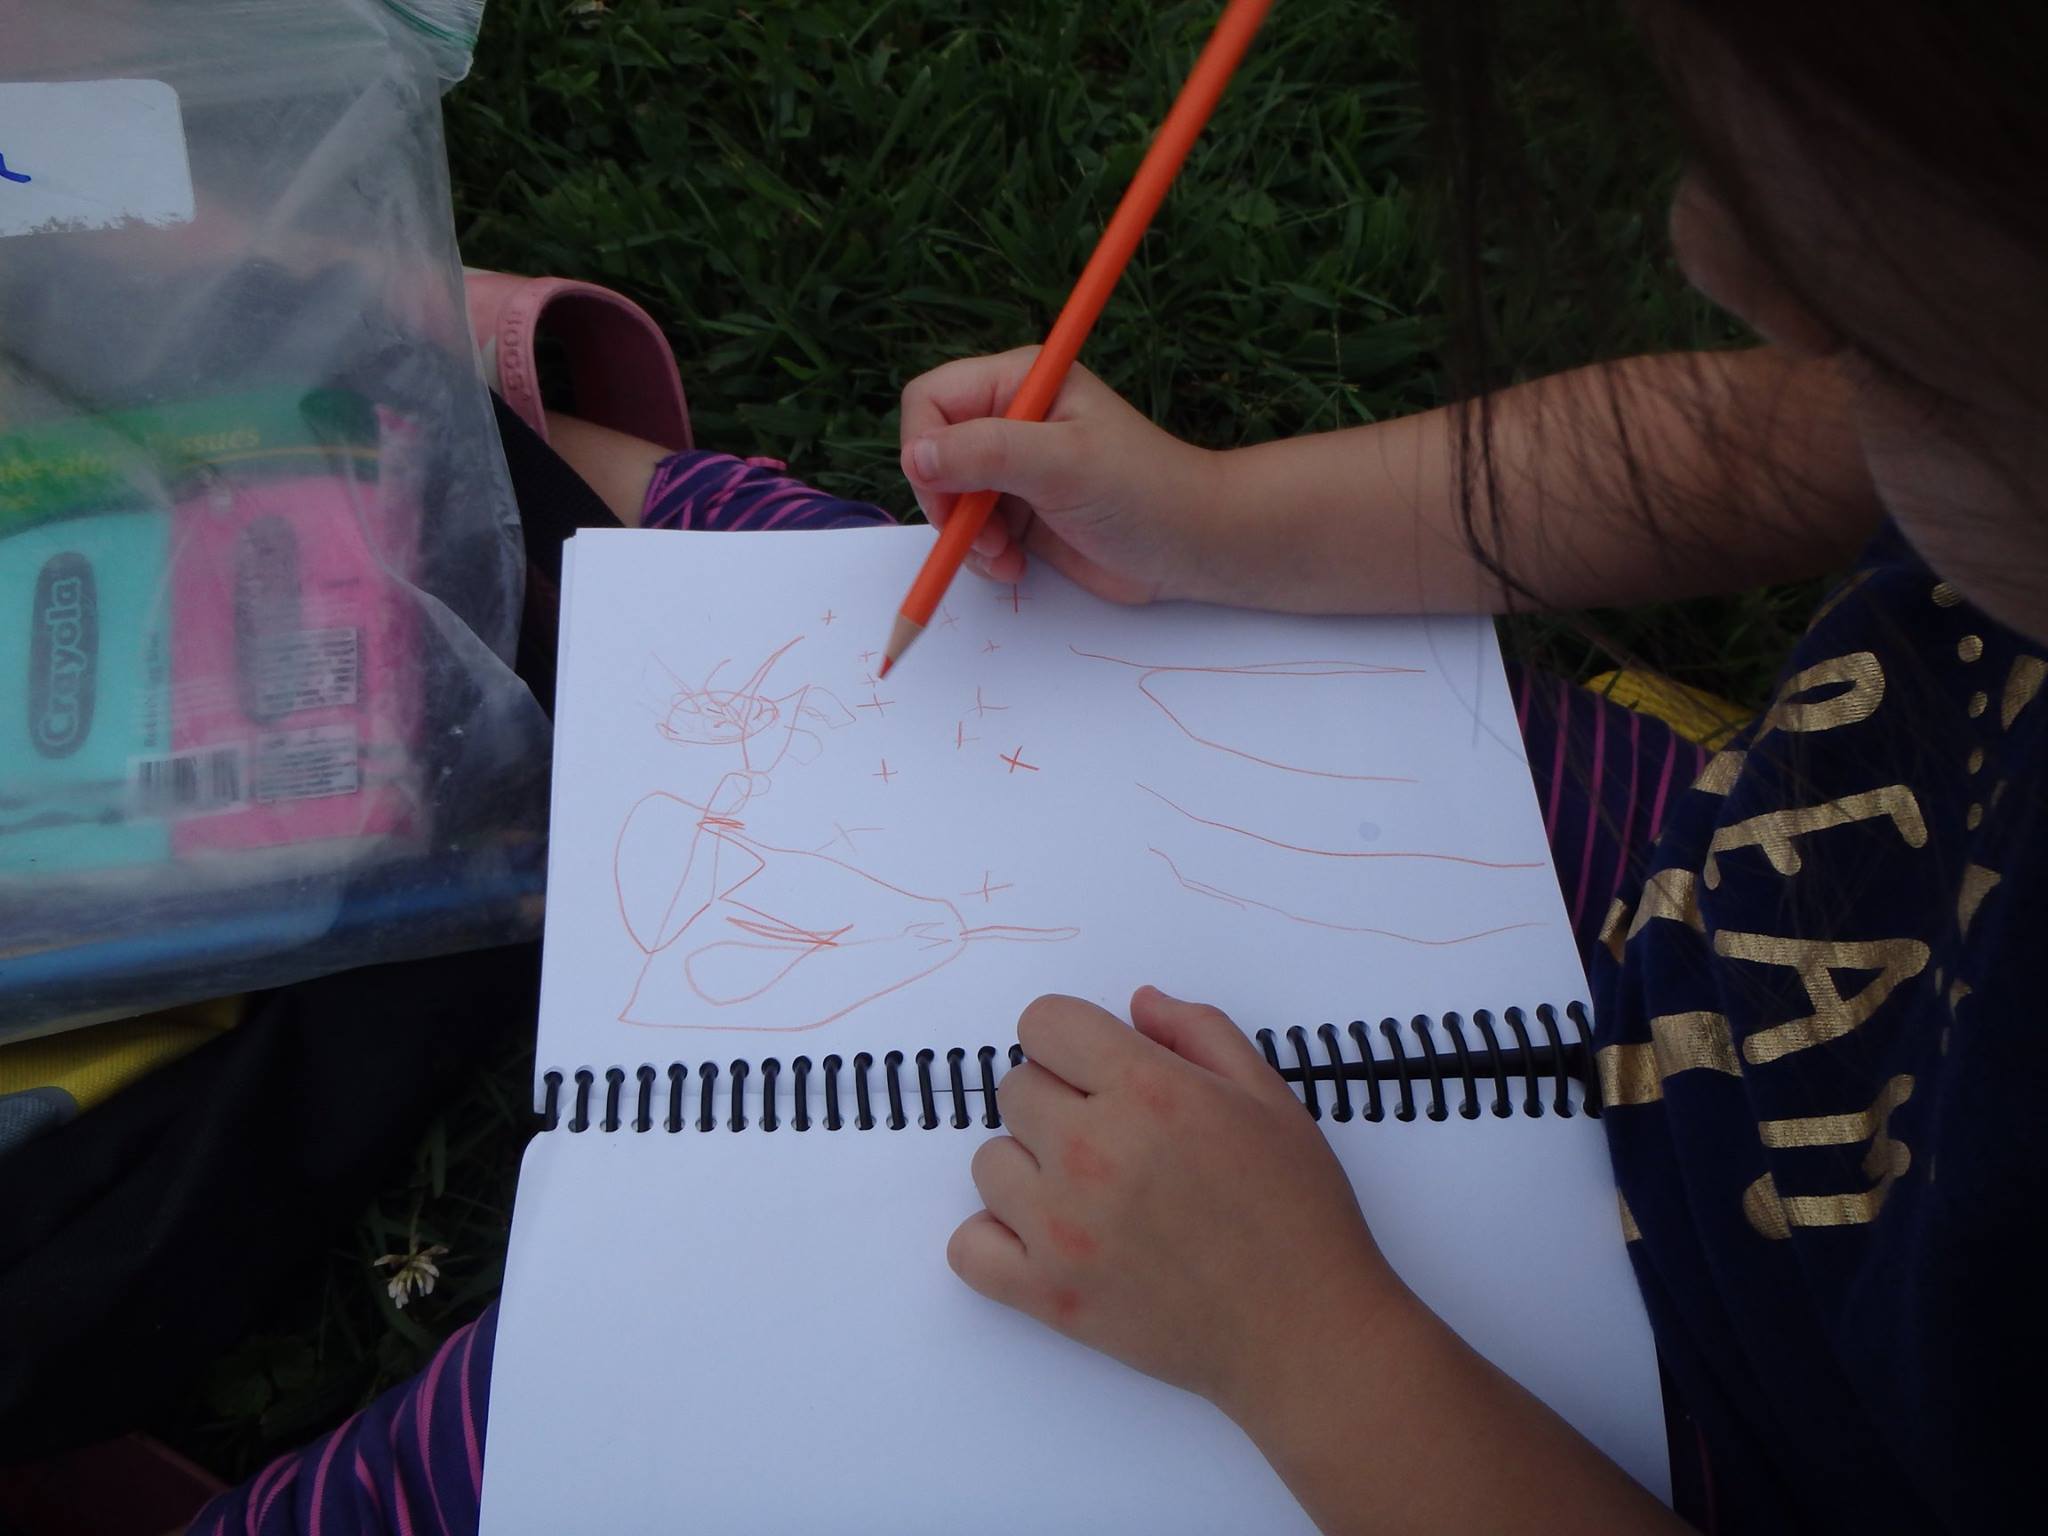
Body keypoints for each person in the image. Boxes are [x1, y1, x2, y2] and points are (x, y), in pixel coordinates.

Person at [191, 1, 2044, 1531]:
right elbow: (1782, 450)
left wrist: (1310, 1344)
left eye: (1883, 343)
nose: (1708, 262)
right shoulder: (2000, 372)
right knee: (837, 609)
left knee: (567, 1426)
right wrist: (1213, 520)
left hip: (1665, 1428)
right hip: (1694, 885)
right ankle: (515, 463)